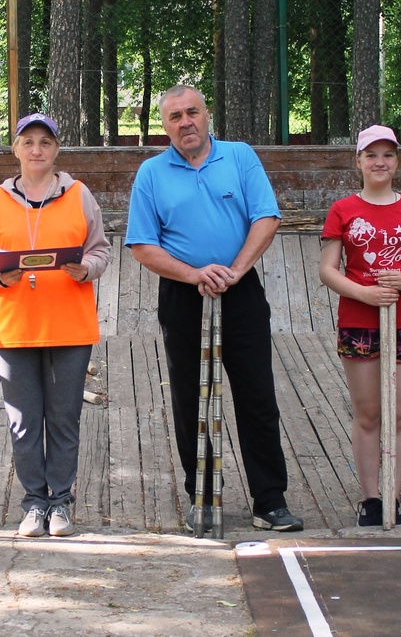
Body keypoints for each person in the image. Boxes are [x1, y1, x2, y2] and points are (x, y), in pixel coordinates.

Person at [126, 85, 304, 533]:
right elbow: (142, 244)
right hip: (184, 295)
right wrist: (194, 274)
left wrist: (236, 270)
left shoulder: (240, 157)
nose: (185, 123)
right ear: (164, 126)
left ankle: (270, 500)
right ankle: (201, 496)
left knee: (257, 396)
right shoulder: (151, 173)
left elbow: (267, 216)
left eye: (192, 113)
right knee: (192, 398)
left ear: (207, 115)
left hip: (240, 291)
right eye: (174, 117)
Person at [0, 113, 111, 538]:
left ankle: (62, 502)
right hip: (13, 328)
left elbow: (100, 249)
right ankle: (34, 503)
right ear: (15, 150)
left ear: (56, 149)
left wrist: (85, 269)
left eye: (44, 143)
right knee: (23, 421)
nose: (36, 150)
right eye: (27, 142)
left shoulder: (79, 195)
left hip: (69, 325)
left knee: (64, 418)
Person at [319, 125, 401, 527]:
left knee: (400, 413)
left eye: (387, 155)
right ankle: (370, 497)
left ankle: (393, 495)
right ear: (358, 161)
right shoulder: (343, 209)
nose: (380, 162)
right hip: (359, 319)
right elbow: (327, 270)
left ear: (397, 161)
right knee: (368, 412)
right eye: (372, 155)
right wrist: (363, 293)